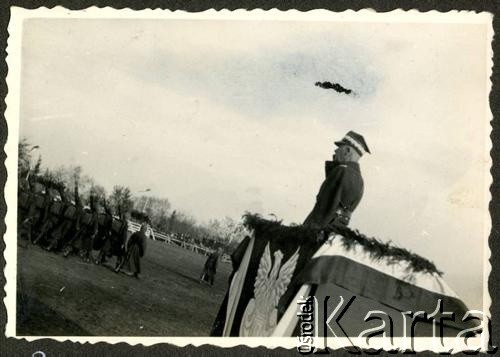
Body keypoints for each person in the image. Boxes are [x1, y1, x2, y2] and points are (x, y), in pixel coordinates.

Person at [303, 131, 370, 229]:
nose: (335, 151)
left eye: (339, 147)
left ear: (347, 151)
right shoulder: (360, 180)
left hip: (319, 232)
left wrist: (305, 234)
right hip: (335, 231)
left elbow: (323, 210)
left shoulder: (341, 171)